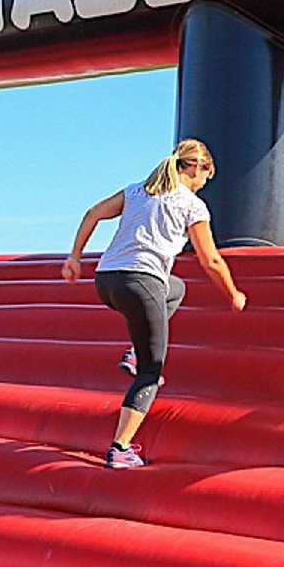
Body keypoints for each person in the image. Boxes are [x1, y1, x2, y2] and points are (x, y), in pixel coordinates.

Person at [63, 139, 246, 469]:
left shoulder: (137, 191)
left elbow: (93, 213)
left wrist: (75, 257)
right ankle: (120, 448)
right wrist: (233, 293)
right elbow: (211, 260)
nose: (204, 183)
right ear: (195, 168)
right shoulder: (192, 205)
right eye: (206, 176)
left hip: (107, 280)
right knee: (151, 373)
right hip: (141, 282)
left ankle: (136, 351)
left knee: (175, 288)